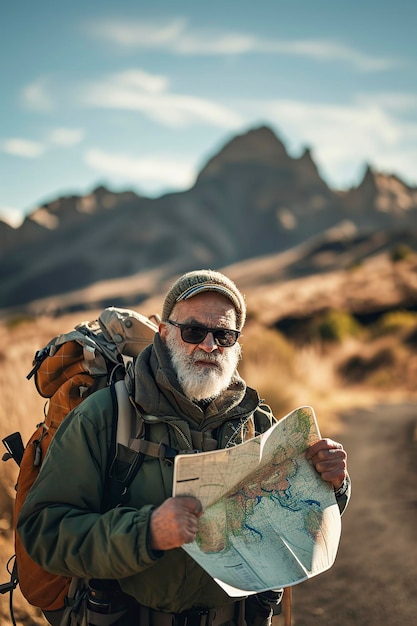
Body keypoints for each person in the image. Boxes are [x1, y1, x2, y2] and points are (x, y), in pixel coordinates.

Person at [18, 269, 350, 626]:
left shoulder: (258, 422)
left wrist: (330, 484)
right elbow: (43, 531)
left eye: (224, 335)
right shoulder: (103, 418)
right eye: (194, 331)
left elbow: (294, 519)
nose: (209, 346)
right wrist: (147, 533)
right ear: (164, 333)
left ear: (236, 344)